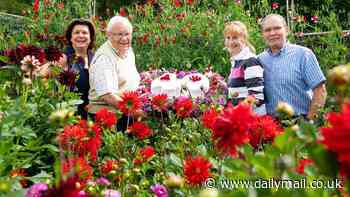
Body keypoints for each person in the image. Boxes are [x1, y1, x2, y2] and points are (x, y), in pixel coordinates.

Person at [258, 14, 327, 119]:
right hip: (270, 126)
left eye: (277, 28)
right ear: (263, 34)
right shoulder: (259, 60)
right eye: (267, 30)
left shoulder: (303, 54)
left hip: (300, 122)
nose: (272, 33)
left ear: (287, 30)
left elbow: (320, 91)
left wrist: (310, 122)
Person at [88, 16, 140, 129]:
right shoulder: (104, 58)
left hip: (124, 111)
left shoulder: (127, 50)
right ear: (109, 35)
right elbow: (108, 95)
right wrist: (134, 111)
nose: (124, 38)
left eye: (127, 34)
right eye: (119, 34)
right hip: (109, 117)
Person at [39, 19, 96, 120]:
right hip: (68, 114)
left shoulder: (95, 58)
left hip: (90, 115)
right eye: (76, 32)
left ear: (90, 38)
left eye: (85, 33)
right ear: (71, 38)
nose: (81, 35)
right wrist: (51, 93)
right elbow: (39, 75)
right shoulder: (64, 58)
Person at [225, 21, 265, 115]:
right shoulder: (237, 61)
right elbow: (239, 92)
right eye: (228, 38)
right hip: (241, 116)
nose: (231, 42)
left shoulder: (249, 61)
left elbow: (256, 97)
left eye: (235, 37)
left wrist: (235, 112)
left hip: (252, 117)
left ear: (243, 39)